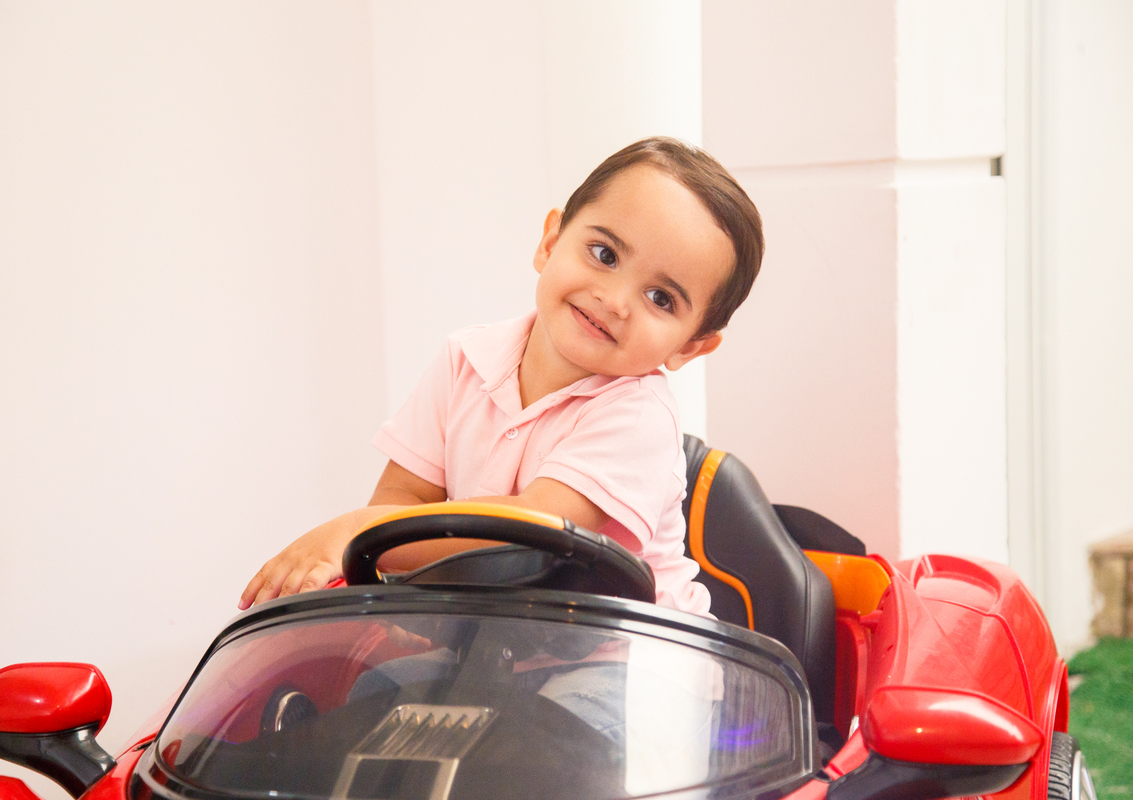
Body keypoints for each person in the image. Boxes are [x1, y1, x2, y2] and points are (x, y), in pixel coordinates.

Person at [239, 137, 763, 615]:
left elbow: (534, 527)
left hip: (628, 662)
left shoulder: (642, 417)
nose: (615, 299)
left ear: (692, 346)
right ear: (550, 242)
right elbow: (403, 497)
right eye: (604, 254)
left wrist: (353, 528)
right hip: (495, 638)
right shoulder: (464, 358)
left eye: (660, 298)